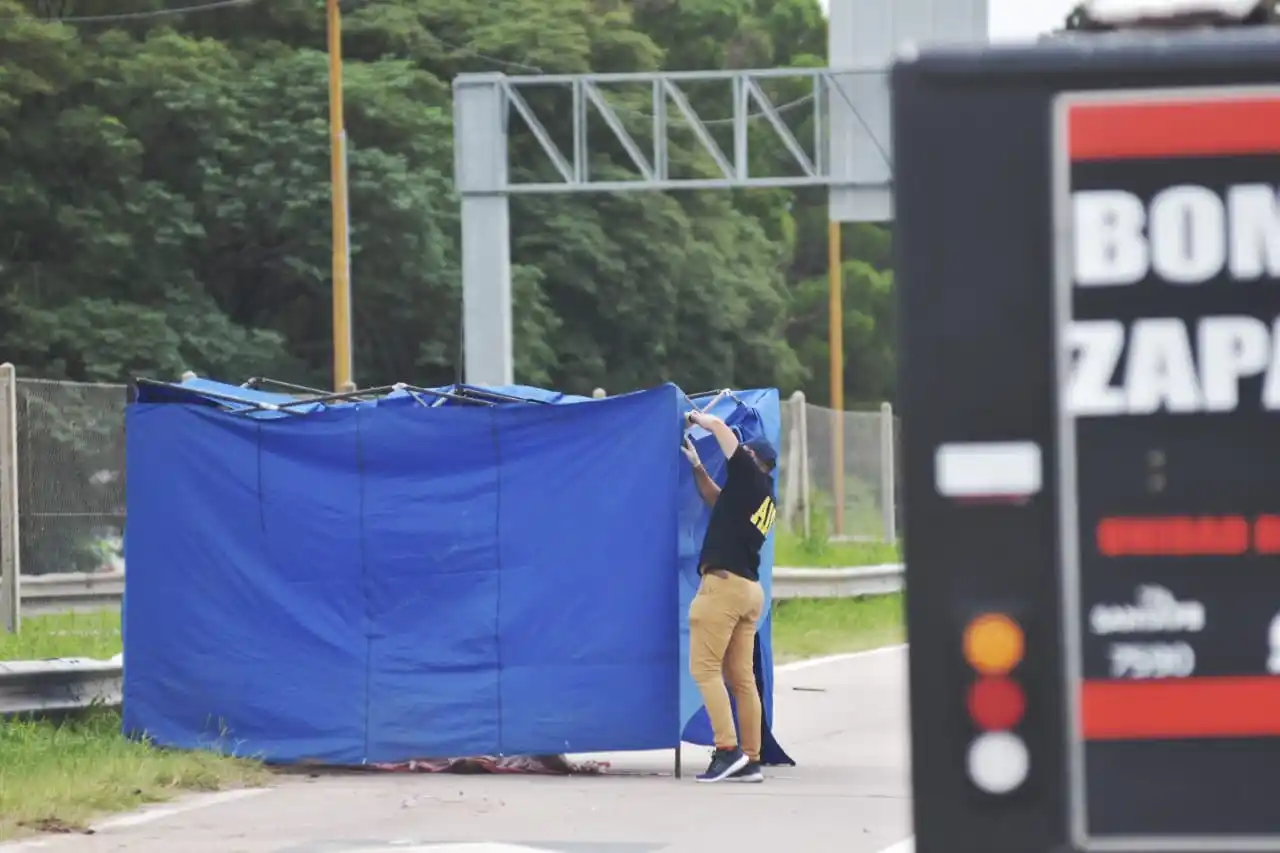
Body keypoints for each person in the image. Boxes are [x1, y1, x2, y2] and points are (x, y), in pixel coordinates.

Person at [680, 409, 778, 783]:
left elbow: (720, 427)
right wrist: (697, 467)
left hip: (723, 588)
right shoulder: (761, 497)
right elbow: (716, 500)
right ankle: (750, 758)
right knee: (741, 679)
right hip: (749, 592)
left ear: (754, 460)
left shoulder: (748, 472)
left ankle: (727, 750)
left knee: (704, 670)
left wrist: (694, 417)